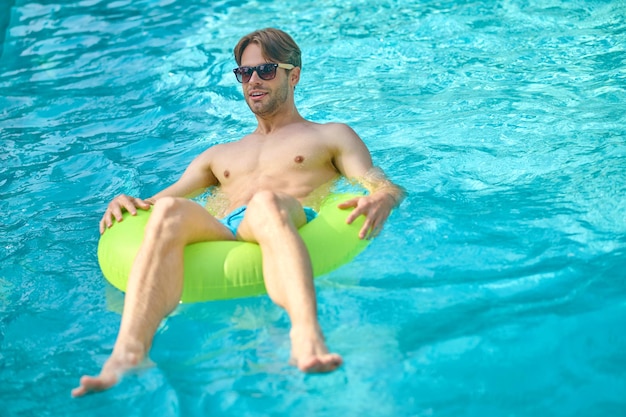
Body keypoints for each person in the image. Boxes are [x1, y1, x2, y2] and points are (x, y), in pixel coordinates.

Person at [72, 28, 404, 397]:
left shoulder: (330, 136)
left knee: (265, 202)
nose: (253, 81)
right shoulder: (220, 154)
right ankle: (128, 353)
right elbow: (151, 204)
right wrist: (123, 200)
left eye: (265, 70)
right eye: (244, 73)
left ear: (293, 75)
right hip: (221, 228)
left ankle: (306, 338)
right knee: (168, 211)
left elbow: (381, 184)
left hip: (281, 216)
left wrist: (384, 198)